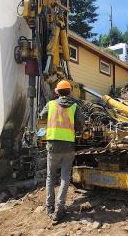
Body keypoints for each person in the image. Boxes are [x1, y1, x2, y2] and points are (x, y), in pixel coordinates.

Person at [39, 80, 84, 222]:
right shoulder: (75, 106)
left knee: (50, 177)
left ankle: (49, 207)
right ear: (70, 91)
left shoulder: (51, 104)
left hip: (52, 147)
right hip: (68, 147)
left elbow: (41, 116)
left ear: (57, 92)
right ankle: (59, 209)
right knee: (65, 177)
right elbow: (80, 126)